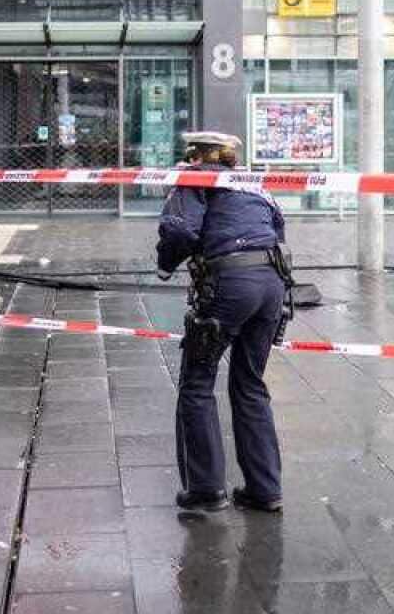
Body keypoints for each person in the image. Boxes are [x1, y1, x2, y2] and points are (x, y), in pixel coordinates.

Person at [156, 132, 293, 513]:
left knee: (197, 383)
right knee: (250, 383)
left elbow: (180, 229)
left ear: (195, 157)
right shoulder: (253, 181)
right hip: (272, 283)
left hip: (229, 285)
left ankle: (205, 489)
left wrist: (165, 264)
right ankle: (265, 489)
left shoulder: (195, 178)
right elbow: (277, 225)